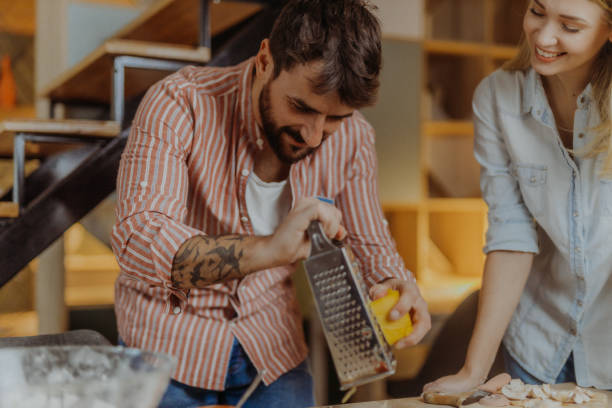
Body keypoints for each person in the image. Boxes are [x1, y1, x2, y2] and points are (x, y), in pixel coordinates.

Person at [111, 1, 431, 407]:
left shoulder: (354, 139)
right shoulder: (180, 103)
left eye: (335, 119)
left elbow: (370, 243)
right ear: (265, 60)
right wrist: (268, 249)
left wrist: (396, 283)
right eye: (301, 107)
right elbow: (139, 237)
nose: (314, 137)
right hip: (164, 349)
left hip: (271, 349)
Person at [424, 0, 612, 393]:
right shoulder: (497, 98)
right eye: (538, 11)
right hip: (536, 345)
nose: (543, 36)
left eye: (570, 26)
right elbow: (511, 235)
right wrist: (473, 371)